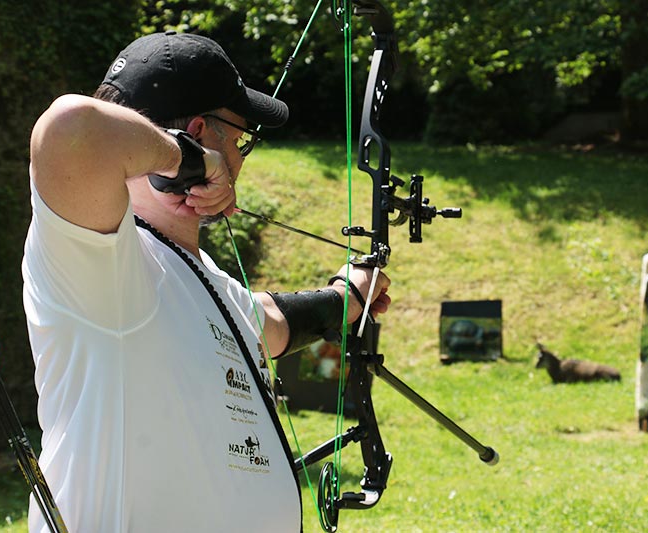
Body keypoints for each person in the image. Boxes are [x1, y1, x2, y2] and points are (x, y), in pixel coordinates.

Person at [23, 31, 391, 533]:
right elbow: (72, 129)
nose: (238, 160)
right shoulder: (104, 266)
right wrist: (187, 160)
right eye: (237, 140)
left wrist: (348, 295)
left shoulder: (200, 277)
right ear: (200, 131)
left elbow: (272, 325)